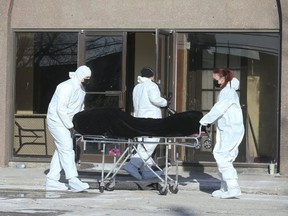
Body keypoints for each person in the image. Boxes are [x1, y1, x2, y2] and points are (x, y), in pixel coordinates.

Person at [200, 68, 244, 199]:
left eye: (216, 79)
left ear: (223, 78)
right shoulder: (228, 91)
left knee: (222, 156)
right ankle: (225, 187)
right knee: (225, 157)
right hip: (230, 128)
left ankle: (233, 188)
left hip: (230, 129)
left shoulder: (227, 92)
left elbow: (218, 109)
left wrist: (204, 121)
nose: (215, 82)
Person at [45, 65, 91, 192]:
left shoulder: (81, 89)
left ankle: (52, 180)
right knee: (67, 149)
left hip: (68, 123)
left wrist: (78, 123)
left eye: (89, 78)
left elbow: (80, 107)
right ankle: (73, 179)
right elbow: (61, 109)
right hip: (57, 121)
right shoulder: (66, 86)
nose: (87, 80)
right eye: (86, 78)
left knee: (61, 150)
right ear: (80, 76)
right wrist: (71, 126)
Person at [123, 67, 167, 180]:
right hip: (151, 119)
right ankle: (132, 164)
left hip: (139, 118)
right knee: (150, 143)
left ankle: (147, 171)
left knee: (142, 144)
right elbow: (155, 99)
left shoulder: (137, 87)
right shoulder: (151, 85)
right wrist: (165, 101)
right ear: (151, 76)